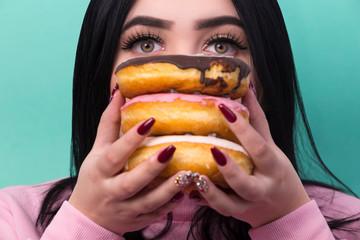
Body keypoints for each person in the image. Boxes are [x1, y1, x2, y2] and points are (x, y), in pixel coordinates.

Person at [1, 0, 359, 239]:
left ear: (263, 78)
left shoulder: (348, 223)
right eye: (145, 44)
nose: (184, 70)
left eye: (221, 45)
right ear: (102, 74)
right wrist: (88, 226)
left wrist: (287, 223)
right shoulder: (16, 218)